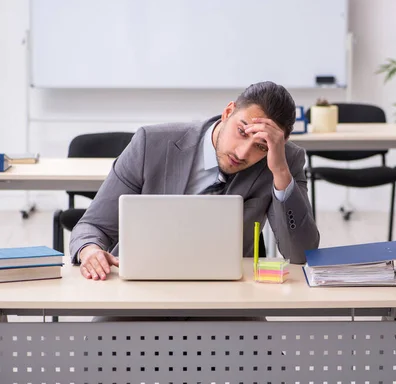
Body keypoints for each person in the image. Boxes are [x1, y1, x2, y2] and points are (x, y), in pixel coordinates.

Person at [70, 81, 320, 280]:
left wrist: (280, 172)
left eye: (260, 146)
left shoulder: (284, 162)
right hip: (142, 290)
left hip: (228, 300)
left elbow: (300, 254)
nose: (243, 153)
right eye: (241, 132)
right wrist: (90, 250)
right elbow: (92, 226)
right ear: (228, 112)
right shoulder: (151, 143)